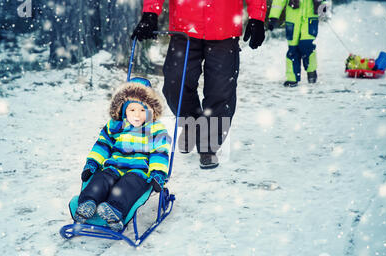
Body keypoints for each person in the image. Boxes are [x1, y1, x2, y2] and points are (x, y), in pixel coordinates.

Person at [131, 0, 267, 169]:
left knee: (221, 90)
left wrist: (257, 17)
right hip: (185, 26)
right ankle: (191, 123)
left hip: (224, 26)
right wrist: (150, 12)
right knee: (176, 82)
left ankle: (209, 145)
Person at [74, 78, 171, 232]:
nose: (137, 115)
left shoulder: (155, 128)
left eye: (142, 110)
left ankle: (114, 210)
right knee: (101, 179)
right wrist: (92, 163)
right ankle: (87, 203)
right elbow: (102, 145)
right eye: (132, 110)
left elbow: (160, 152)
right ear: (123, 110)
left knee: (127, 186)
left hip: (139, 171)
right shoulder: (115, 125)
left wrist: (158, 173)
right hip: (114, 166)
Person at [268, 0, 327, 87]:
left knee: (307, 46)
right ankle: (292, 78)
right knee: (293, 49)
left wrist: (322, 8)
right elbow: (279, 1)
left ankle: (311, 71)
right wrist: (274, 17)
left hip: (309, 19)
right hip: (293, 20)